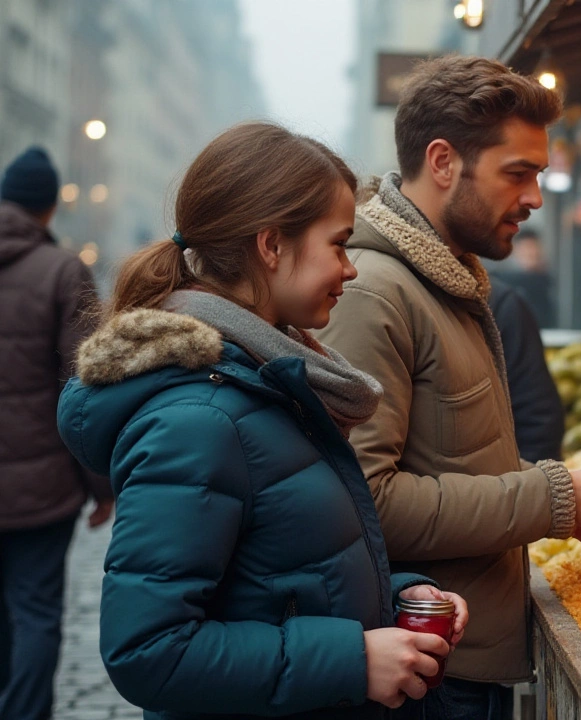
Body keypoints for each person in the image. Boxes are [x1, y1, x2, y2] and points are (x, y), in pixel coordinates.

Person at [55, 122, 467, 720]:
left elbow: (277, 577)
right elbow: (148, 651)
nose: (350, 269)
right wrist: (354, 658)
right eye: (338, 243)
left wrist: (397, 595)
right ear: (272, 246)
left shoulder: (269, 379)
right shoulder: (198, 420)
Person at [313, 55, 581, 719]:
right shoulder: (375, 293)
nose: (535, 196)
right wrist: (556, 498)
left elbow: (456, 464)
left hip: (458, 664)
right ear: (443, 162)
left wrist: (568, 497)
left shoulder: (449, 282)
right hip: (420, 674)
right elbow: (363, 505)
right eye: (518, 173)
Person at [0, 146, 111, 720]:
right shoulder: (63, 270)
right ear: (48, 208)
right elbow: (83, 383)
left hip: (34, 484)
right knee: (38, 611)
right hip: (40, 487)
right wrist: (102, 486)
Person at [489, 275, 565, 462]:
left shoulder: (499, 303)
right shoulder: (502, 302)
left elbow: (538, 422)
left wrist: (538, 486)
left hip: (507, 483)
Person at [491, 228, 555, 328]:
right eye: (527, 248)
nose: (531, 253)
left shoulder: (546, 283)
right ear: (516, 250)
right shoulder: (502, 281)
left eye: (534, 247)